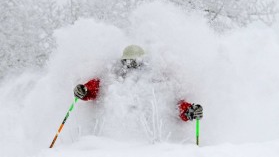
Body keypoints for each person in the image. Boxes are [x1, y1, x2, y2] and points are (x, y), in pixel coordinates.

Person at [73, 45, 203, 122]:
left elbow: (174, 105)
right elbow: (93, 89)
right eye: (127, 62)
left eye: (134, 63)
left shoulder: (156, 80)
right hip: (112, 144)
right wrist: (83, 90)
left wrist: (189, 111)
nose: (130, 67)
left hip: (152, 145)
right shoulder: (112, 78)